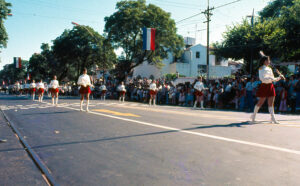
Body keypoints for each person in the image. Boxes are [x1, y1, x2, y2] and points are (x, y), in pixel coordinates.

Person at [251, 55, 283, 124]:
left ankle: (273, 118)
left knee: (271, 103)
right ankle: (253, 116)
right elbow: (261, 78)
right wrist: (270, 78)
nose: (269, 62)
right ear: (264, 61)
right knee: (260, 102)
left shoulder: (270, 69)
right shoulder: (261, 68)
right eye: (268, 60)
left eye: (269, 60)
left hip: (270, 86)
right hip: (264, 86)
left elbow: (273, 79)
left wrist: (279, 77)